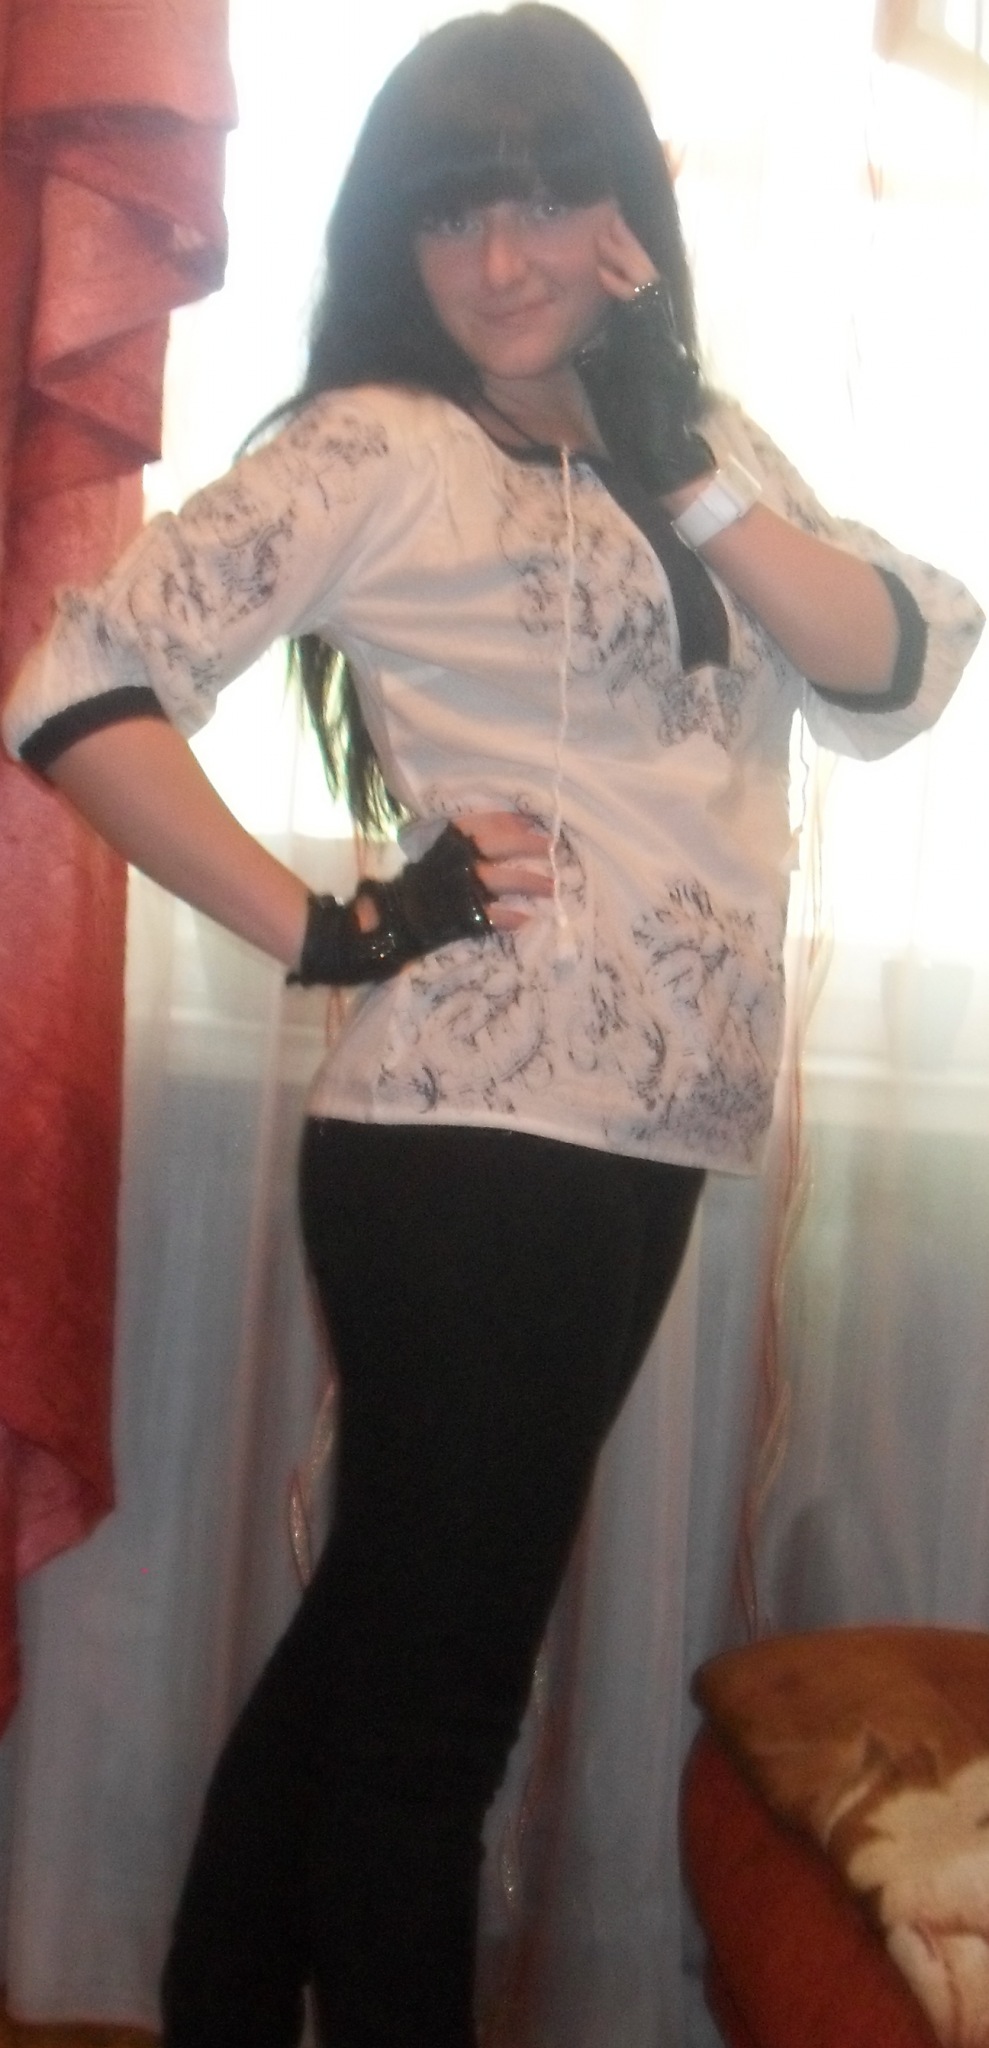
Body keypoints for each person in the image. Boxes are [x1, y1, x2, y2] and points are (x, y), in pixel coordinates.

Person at [2, 6, 983, 2044]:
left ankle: (214, 2007)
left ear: (625, 216)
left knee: (378, 1644)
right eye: (455, 213)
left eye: (547, 197)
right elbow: (76, 688)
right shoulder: (383, 444)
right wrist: (331, 925)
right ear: (399, 239)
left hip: (641, 1143)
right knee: (437, 1706)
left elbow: (893, 668)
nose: (506, 257)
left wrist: (674, 455)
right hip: (474, 1145)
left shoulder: (701, 445)